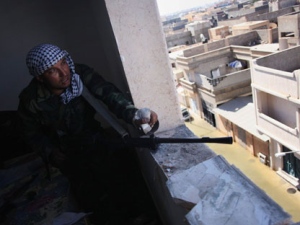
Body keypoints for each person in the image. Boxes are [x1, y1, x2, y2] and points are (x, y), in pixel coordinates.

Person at [17, 43, 159, 224]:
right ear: (40, 77)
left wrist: (134, 115)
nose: (64, 72)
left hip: (97, 140)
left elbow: (109, 95)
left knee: (128, 182)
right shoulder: (31, 100)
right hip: (69, 155)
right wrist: (51, 152)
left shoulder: (80, 74)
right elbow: (30, 133)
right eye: (53, 71)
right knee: (96, 204)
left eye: (63, 63)